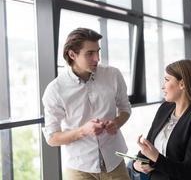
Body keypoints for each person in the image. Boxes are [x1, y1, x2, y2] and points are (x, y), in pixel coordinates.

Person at [42, 28, 131, 180]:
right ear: (72, 54)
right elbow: (52, 138)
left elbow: (125, 108)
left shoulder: (113, 75)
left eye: (98, 51)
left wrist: (116, 122)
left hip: (114, 162)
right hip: (79, 168)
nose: (97, 58)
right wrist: (83, 130)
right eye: (90, 53)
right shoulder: (55, 90)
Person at [132, 59, 191, 180]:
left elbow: (190, 171)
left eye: (167, 80)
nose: (162, 86)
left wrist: (156, 158)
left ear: (182, 84)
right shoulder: (165, 108)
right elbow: (148, 148)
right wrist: (137, 164)